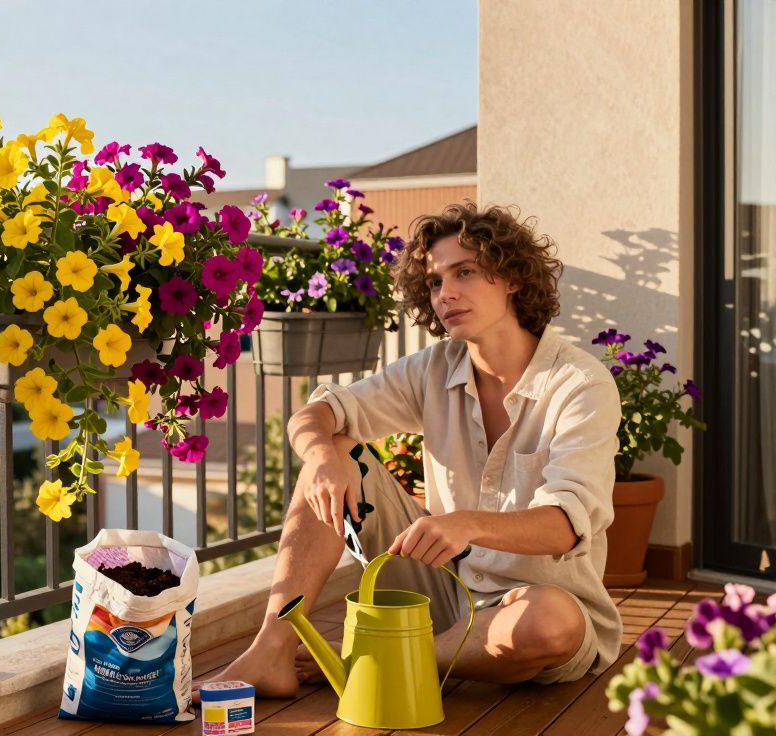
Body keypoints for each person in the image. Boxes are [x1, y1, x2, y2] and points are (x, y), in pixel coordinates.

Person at [204, 202, 623, 697]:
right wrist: (320, 457)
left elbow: (564, 525)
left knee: (548, 625)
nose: (446, 293)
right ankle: (270, 650)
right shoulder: (433, 368)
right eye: (434, 282)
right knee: (336, 449)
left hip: (538, 603)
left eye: (464, 272)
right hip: (446, 589)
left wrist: (465, 523)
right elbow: (316, 414)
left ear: (511, 277)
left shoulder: (579, 384)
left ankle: (373, 659)